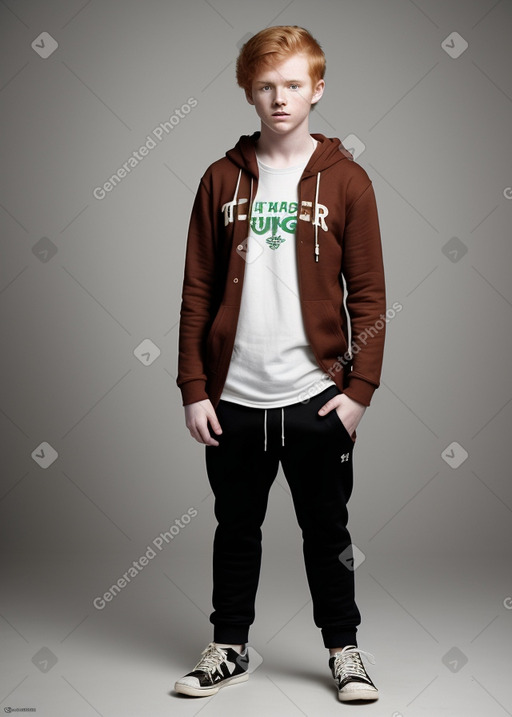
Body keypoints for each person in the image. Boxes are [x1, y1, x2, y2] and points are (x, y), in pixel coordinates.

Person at [174, 25, 386, 703]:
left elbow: (372, 295)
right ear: (248, 92)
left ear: (317, 89)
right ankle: (229, 646)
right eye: (266, 86)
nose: (280, 98)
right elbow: (198, 289)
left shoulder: (347, 182)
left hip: (315, 398)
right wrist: (193, 386)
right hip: (233, 399)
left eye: (293, 84)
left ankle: (345, 649)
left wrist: (359, 391)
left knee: (328, 532)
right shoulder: (220, 179)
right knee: (235, 526)